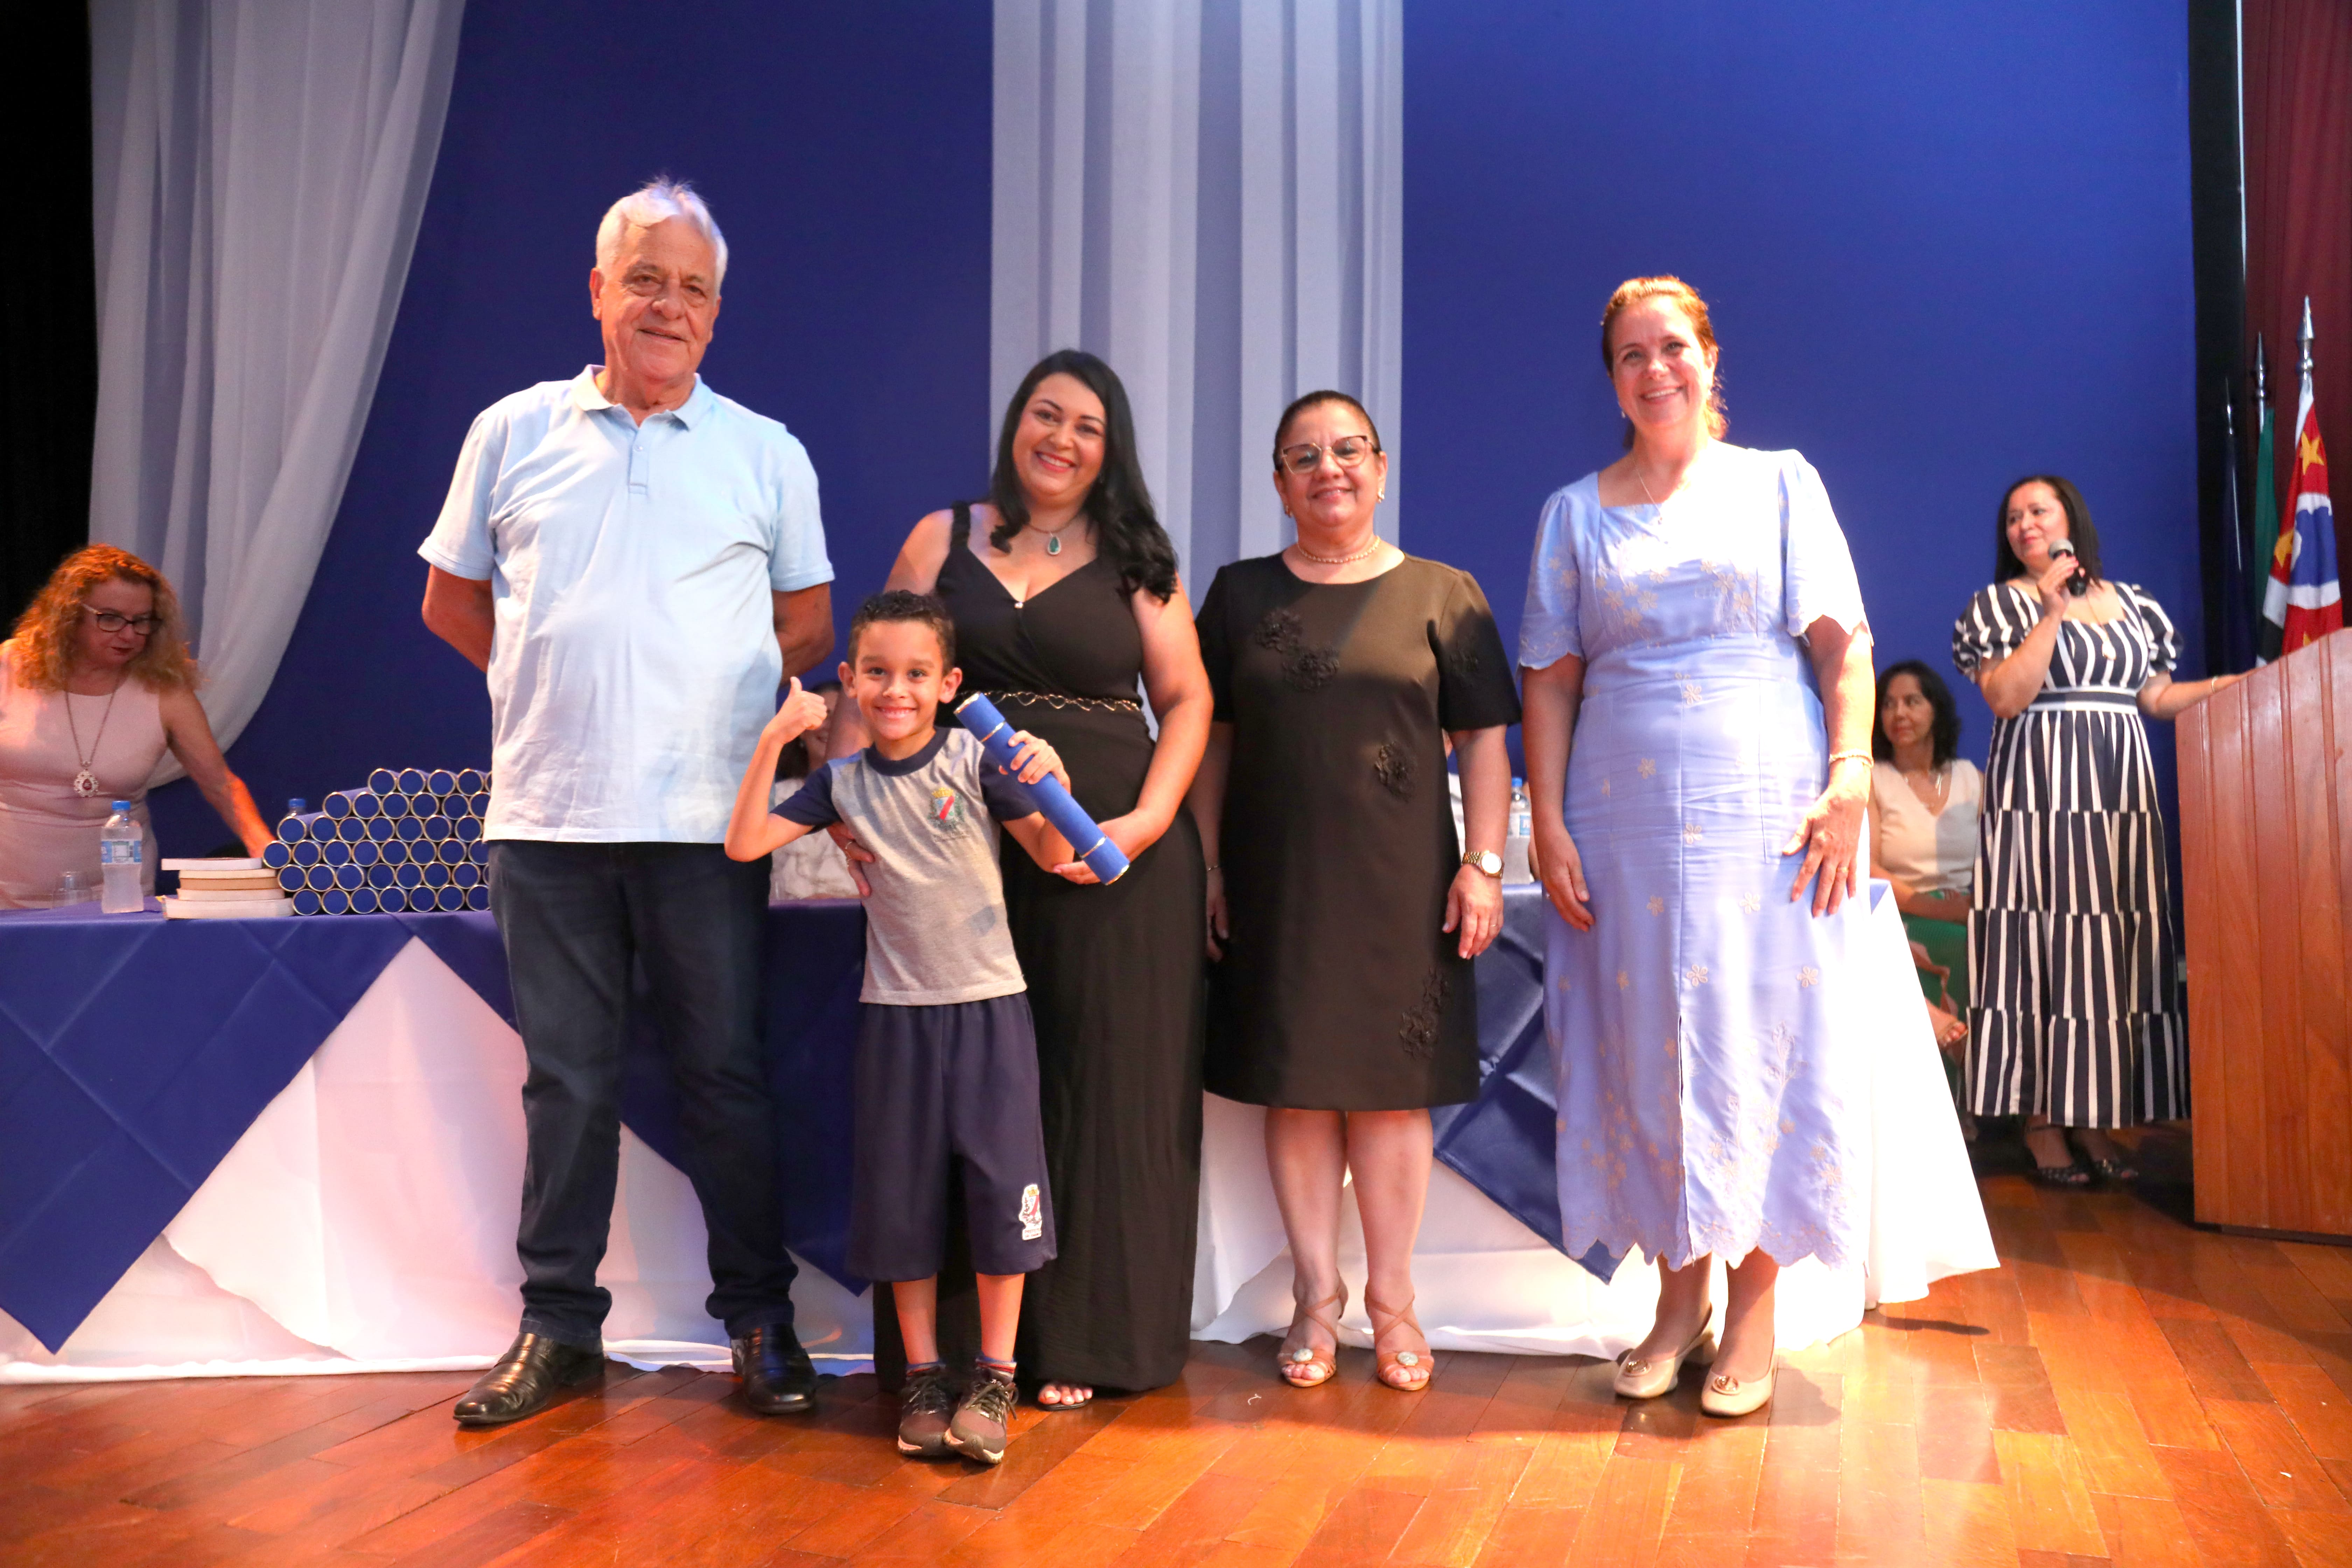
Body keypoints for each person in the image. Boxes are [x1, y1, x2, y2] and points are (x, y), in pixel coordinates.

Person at [418, 179, 834, 1425]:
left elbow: (808, 623)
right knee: (567, 1084)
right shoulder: (510, 430)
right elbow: (450, 599)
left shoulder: (766, 451)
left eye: (692, 288)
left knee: (725, 1077)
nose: (668, 304)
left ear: (716, 314)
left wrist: (696, 695)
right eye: (645, 279)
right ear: (598, 290)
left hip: (711, 824)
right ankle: (557, 1329)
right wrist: (549, 682)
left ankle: (759, 1322)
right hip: (546, 820)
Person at [1519, 276, 1877, 1419]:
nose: (1655, 369)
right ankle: (1679, 1300)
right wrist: (1547, 819)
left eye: (1672, 346)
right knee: (1645, 1045)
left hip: (1765, 812)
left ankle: (1755, 1304)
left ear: (1711, 359)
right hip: (1619, 821)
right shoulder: (1573, 513)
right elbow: (1550, 680)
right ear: (1612, 379)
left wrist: (1851, 775)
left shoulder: (1781, 483)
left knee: (1758, 1039)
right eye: (1632, 355)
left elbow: (1845, 647)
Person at [845, 349, 1210, 1409]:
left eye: (1088, 426)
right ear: (1016, 424)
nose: (1063, 439)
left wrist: (1148, 819)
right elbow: (869, 674)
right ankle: (960, 1355)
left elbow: (1187, 700)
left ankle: (1086, 1342)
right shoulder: (941, 536)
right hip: (952, 857)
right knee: (965, 1096)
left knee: (1099, 1087)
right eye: (1047, 415)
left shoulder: (1139, 557)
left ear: (1111, 450)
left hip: (1111, 858)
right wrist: (852, 814)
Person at [1188, 390, 1519, 1393]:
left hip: (1403, 886)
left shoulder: (1444, 593)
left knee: (1389, 1099)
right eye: (1304, 456)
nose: (1328, 469)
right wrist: (1209, 868)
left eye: (1347, 450)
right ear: (1279, 484)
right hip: (1276, 881)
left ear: (1379, 467)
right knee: (1295, 1092)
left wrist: (1485, 864)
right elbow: (1213, 742)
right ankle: (1314, 1299)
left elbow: (1486, 743)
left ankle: (1395, 1303)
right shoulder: (1239, 596)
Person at [729, 592, 1080, 1465]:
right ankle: (924, 1377)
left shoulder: (974, 756)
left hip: (990, 1009)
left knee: (1002, 1196)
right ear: (849, 681)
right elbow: (742, 845)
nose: (896, 690)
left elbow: (1053, 850)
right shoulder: (839, 784)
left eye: (917, 674)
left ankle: (994, 1377)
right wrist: (775, 738)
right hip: (895, 1021)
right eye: (878, 673)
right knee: (901, 1203)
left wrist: (1055, 775)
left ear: (948, 683)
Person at [1952, 475, 2233, 1186]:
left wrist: (2226, 688)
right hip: (2041, 795)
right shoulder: (2001, 605)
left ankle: (2092, 1114)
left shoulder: (2134, 603)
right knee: (2047, 944)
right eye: (2012, 517)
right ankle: (2042, 1120)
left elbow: (2154, 697)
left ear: (2071, 518)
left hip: (2120, 794)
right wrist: (2049, 613)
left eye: (2038, 510)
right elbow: (2007, 697)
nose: (2024, 524)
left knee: (2110, 949)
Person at [1, 545, 273, 908]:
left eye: (142, 621)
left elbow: (222, 785)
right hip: (7, 899)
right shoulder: (9, 667)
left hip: (116, 901)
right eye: (110, 618)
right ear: (69, 616)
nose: (129, 635)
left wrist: (267, 850)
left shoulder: (165, 691)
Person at [1867, 660, 1981, 1054]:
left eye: (1912, 702)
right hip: (1901, 912)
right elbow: (1869, 869)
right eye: (1888, 704)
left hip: (1967, 906)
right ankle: (1958, 1066)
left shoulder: (1970, 776)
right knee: (1963, 944)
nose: (1898, 713)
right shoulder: (1873, 779)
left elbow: (2002, 856)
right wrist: (1942, 910)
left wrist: (1972, 906)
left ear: (1936, 709)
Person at [768, 679, 858, 899]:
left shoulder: (877, 796)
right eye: (824, 715)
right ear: (802, 730)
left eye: (841, 718)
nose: (832, 726)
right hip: (782, 920)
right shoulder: (774, 798)